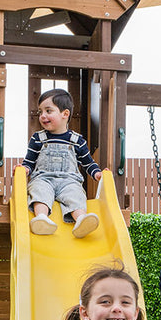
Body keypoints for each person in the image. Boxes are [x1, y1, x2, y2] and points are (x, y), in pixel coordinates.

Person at [22, 89, 102, 238]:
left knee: (76, 193)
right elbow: (29, 162)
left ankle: (81, 220)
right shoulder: (38, 138)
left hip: (69, 181)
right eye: (40, 112)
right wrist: (24, 169)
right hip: (44, 178)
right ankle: (41, 219)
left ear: (65, 114)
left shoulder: (77, 141)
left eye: (48, 110)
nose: (43, 116)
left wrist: (97, 173)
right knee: (40, 190)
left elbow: (88, 163)